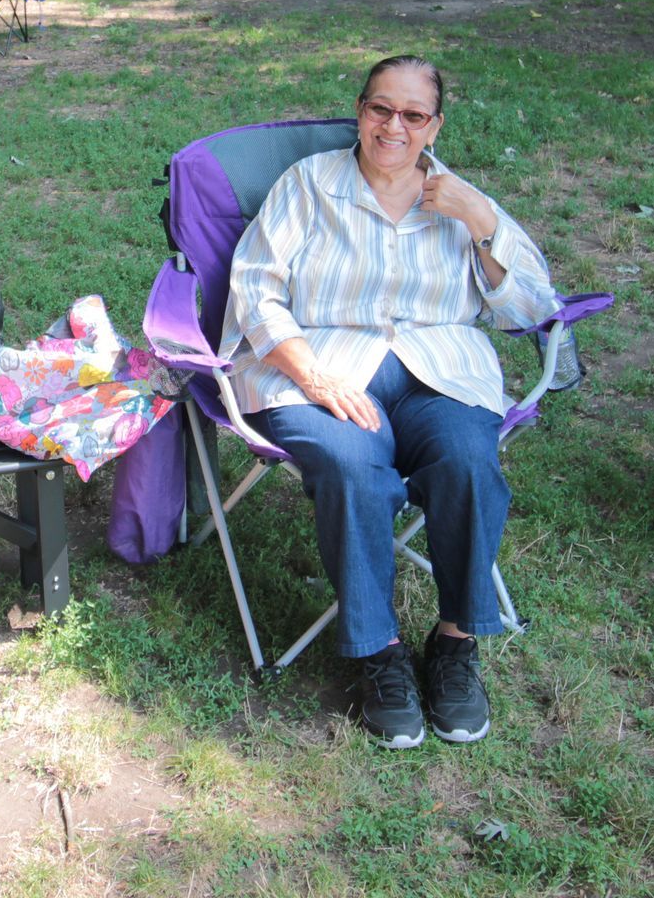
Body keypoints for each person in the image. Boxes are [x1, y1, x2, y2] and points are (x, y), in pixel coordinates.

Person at [221, 56, 560, 748]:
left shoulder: (462, 200)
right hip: (322, 363)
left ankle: (456, 642)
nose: (393, 126)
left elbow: (530, 306)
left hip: (441, 372)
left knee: (467, 459)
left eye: (412, 114)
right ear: (360, 111)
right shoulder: (309, 186)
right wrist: (310, 374)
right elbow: (255, 289)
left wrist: (483, 224)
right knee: (351, 468)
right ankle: (379, 656)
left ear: (435, 125)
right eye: (381, 109)